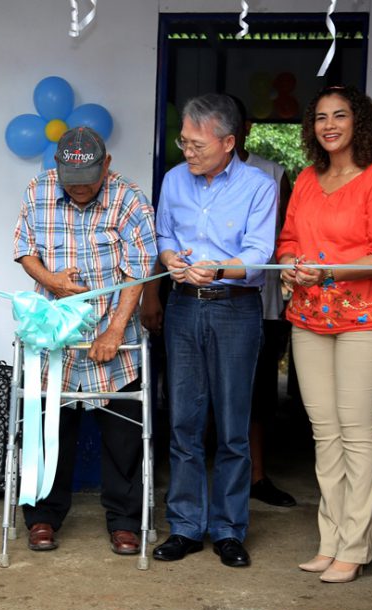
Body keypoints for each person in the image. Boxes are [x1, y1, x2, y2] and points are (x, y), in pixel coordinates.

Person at [277, 85, 372, 583]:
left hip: (368, 323)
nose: (329, 125)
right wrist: (290, 266)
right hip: (309, 320)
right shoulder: (307, 180)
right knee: (324, 435)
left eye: (341, 115)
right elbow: (288, 242)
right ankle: (329, 540)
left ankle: (355, 546)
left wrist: (327, 273)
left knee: (356, 434)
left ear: (361, 123)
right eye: (320, 117)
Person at [12, 126, 157, 556]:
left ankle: (126, 522)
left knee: (123, 438)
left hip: (115, 342)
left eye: (87, 182)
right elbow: (24, 249)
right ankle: (42, 518)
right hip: (54, 338)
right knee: (48, 429)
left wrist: (114, 329)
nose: (77, 190)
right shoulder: (38, 190)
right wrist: (50, 280)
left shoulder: (129, 199)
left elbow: (140, 269)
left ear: (106, 166)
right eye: (70, 182)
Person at [153, 93, 277, 568]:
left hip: (235, 311)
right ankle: (184, 527)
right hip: (183, 307)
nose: (188, 152)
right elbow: (164, 237)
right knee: (183, 422)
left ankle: (228, 529)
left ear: (228, 142)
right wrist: (170, 260)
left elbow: (259, 252)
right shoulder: (173, 181)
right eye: (183, 142)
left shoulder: (258, 186)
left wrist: (220, 270)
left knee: (232, 428)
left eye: (197, 144)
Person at [231, 96, 297, 508]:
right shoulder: (187, 176)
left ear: (248, 127)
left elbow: (289, 238)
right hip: (213, 300)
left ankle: (257, 476)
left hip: (264, 303)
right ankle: (218, 478)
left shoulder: (272, 174)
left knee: (258, 395)